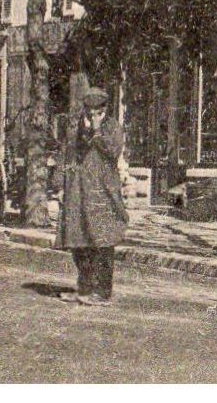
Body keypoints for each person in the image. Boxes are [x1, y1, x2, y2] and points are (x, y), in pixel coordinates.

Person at [55, 87, 127, 305]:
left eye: (96, 110)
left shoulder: (112, 127)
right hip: (78, 190)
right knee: (79, 240)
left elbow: (113, 151)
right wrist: (60, 185)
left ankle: (102, 292)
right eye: (88, 110)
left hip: (102, 191)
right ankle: (84, 288)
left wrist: (97, 131)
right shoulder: (77, 127)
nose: (91, 114)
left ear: (104, 108)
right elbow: (67, 153)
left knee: (102, 241)